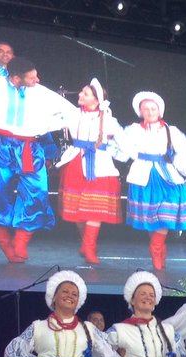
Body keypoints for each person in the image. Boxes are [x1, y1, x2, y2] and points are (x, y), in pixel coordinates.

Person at [0, 56, 74, 263]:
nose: (37, 80)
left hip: (28, 147)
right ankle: (5, 244)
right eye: (32, 78)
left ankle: (21, 241)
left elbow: (70, 112)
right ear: (16, 78)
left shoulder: (41, 93)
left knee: (38, 190)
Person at [118, 91, 186, 271]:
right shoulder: (133, 130)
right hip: (143, 176)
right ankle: (159, 249)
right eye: (145, 109)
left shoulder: (171, 131)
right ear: (140, 111)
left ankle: (155, 248)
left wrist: (181, 164)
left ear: (159, 111)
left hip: (167, 176)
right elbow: (121, 149)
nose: (150, 112)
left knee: (164, 215)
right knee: (151, 219)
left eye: (153, 108)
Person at [57, 78, 123, 266]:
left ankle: (89, 245)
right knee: (79, 210)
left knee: (94, 208)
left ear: (96, 99)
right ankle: (86, 242)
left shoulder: (108, 119)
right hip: (76, 162)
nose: (80, 95)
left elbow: (121, 140)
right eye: (82, 92)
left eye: (85, 94)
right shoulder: (72, 114)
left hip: (100, 165)